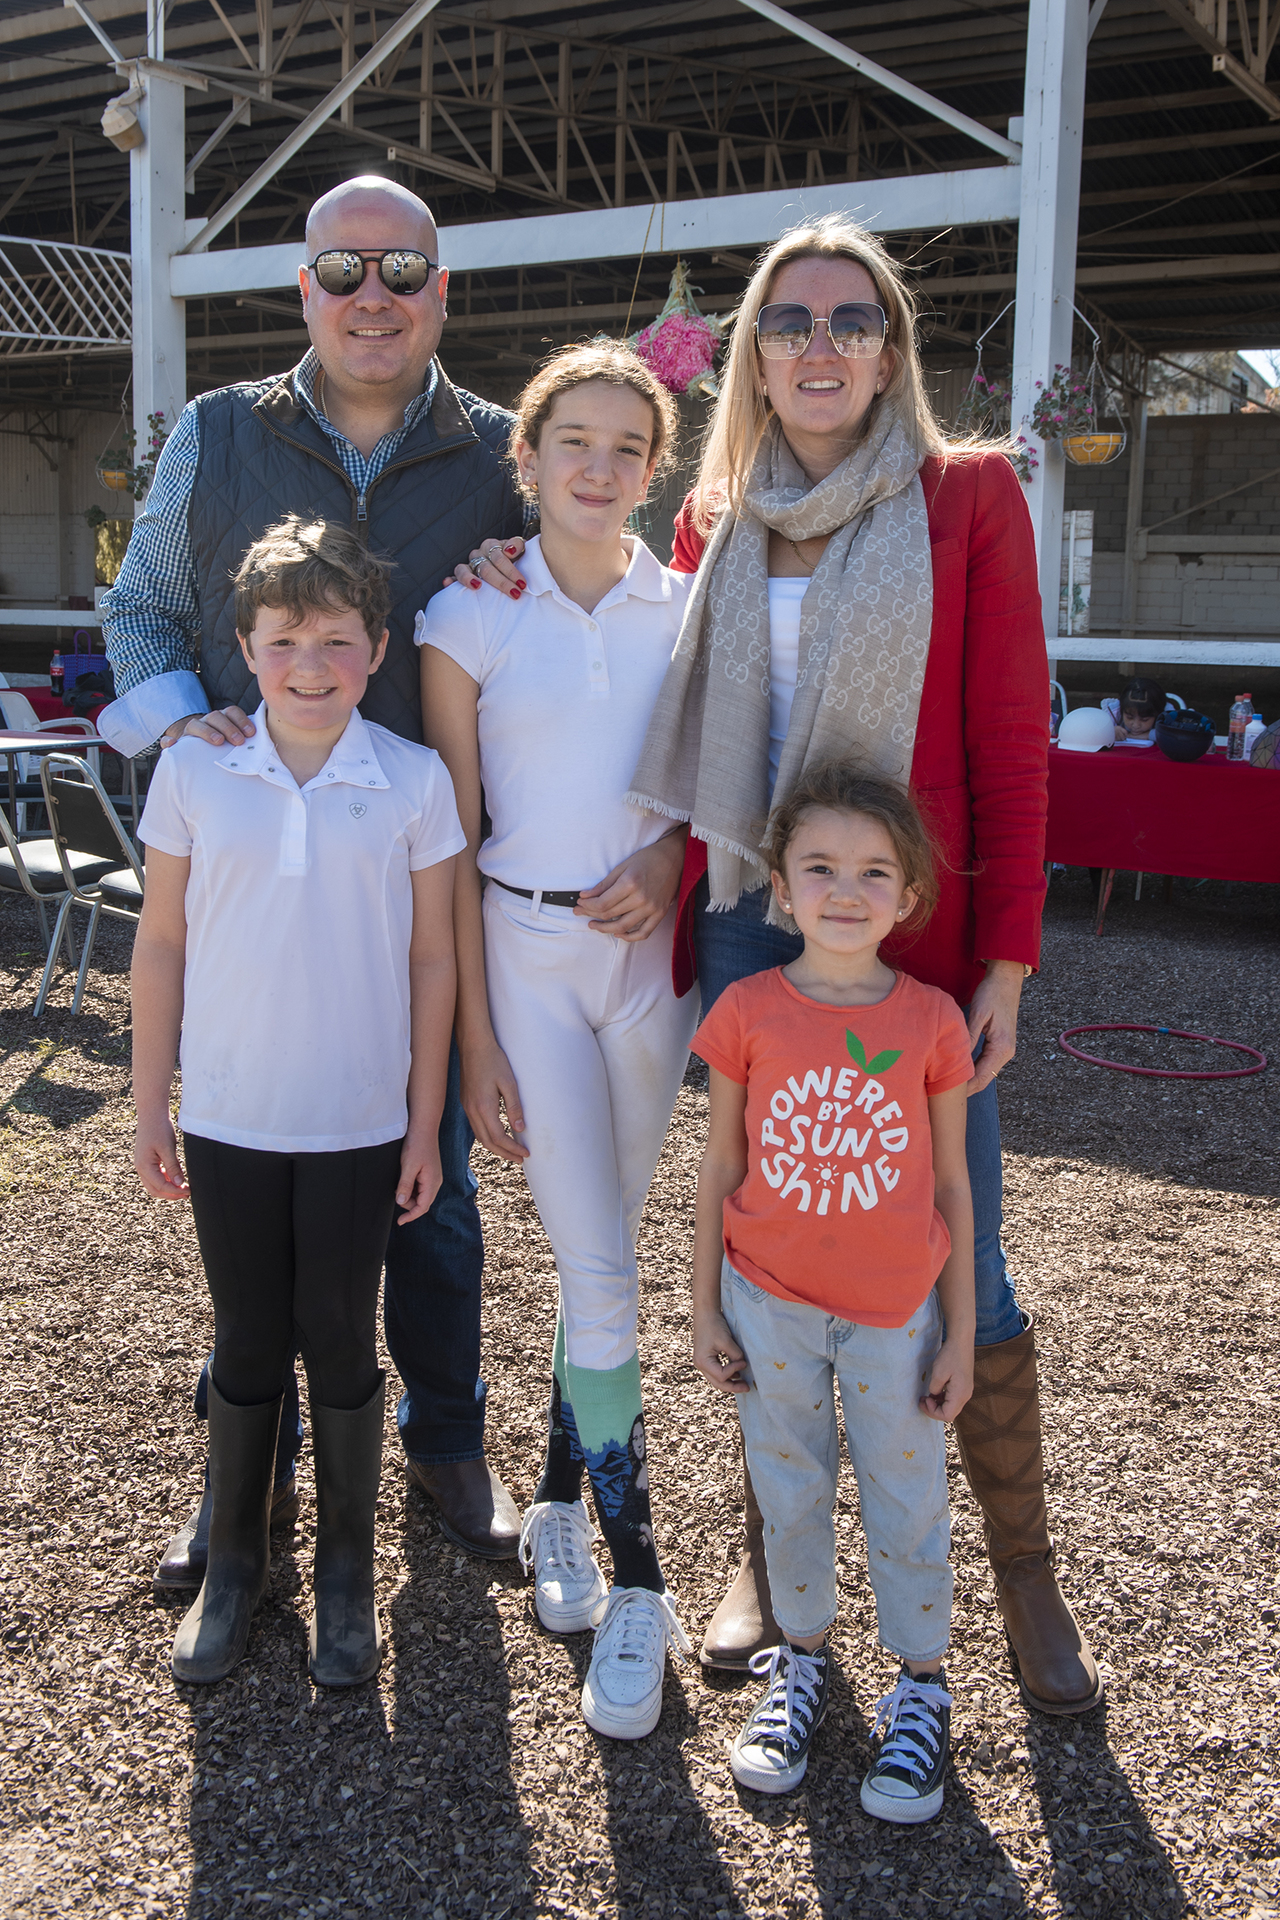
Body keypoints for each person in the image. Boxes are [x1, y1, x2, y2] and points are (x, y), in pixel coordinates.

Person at [627, 214, 1102, 1716]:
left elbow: (1013, 747)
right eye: (787, 320)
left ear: (890, 348)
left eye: (847, 319)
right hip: (749, 913)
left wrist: (1010, 957)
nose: (814, 346)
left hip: (915, 931)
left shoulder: (964, 500)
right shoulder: (716, 514)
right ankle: (776, 1554)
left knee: (963, 1244)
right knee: (775, 1233)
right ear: (752, 354)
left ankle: (1022, 1572)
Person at [98, 175, 525, 1579]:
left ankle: (446, 1443)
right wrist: (186, 733)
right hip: (260, 871)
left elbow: (564, 616)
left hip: (418, 875)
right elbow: (145, 603)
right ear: (302, 289)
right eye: (341, 270)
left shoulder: (504, 453)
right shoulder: (222, 434)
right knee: (255, 1195)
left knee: (435, 1186)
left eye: (403, 268)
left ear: (441, 289)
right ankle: (250, 1473)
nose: (373, 296)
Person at [131, 517, 463, 1685]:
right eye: (283, 641)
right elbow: (161, 940)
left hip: (359, 1124)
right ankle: (234, 1566)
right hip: (228, 1115)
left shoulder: (412, 780)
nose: (309, 666)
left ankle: (343, 1576)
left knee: (340, 1334)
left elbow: (434, 961)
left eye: (335, 640)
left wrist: (426, 1122)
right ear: (244, 648)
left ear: (376, 648)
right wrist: (144, 1099)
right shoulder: (196, 769)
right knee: (248, 1336)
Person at [419, 343, 696, 1739]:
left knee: (607, 1261)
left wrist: (665, 858)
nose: (598, 468)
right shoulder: (466, 615)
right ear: (525, 459)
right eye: (570, 442)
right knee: (597, 1270)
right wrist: (473, 1041)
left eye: (627, 447)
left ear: (658, 467)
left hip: (652, 973)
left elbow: (713, 786)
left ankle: (550, 1502)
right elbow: (455, 846)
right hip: (524, 958)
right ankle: (641, 1583)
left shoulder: (688, 609)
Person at [692, 762, 974, 1815]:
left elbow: (949, 1182)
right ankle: (800, 1661)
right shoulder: (745, 1010)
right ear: (779, 881)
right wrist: (699, 1302)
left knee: (907, 1503)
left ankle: (918, 1689)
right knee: (788, 1488)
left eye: (871, 871)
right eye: (818, 866)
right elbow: (718, 1165)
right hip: (766, 1300)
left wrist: (955, 1333)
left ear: (906, 896)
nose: (843, 890)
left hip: (894, 1312)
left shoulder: (931, 1022)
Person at [1103, 675, 1167, 745]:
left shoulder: (1166, 713)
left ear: (1157, 713)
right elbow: (1094, 731)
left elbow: (1171, 734)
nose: (1136, 725)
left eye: (1144, 719)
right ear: (1122, 709)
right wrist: (1110, 731)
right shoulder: (1114, 711)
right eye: (1129, 717)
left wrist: (1147, 735)